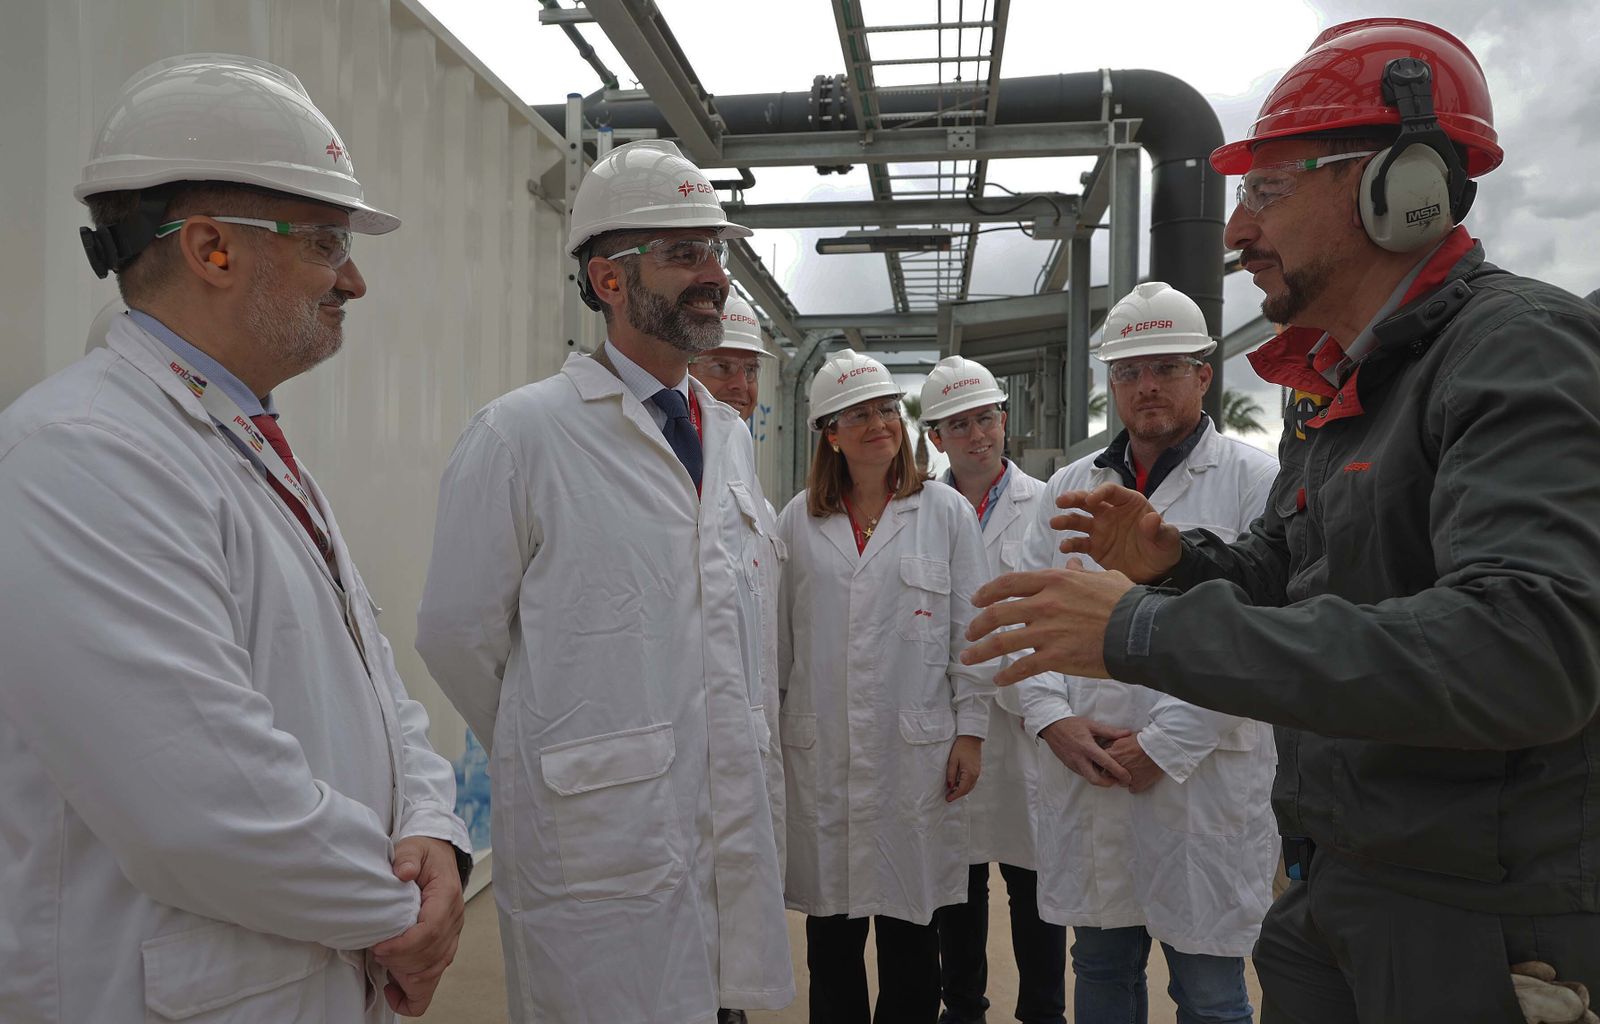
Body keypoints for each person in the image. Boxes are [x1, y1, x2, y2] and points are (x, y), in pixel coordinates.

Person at [962, 19, 1600, 1023]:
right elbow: (1292, 578)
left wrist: (1138, 626)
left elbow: (1523, 650)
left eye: (1266, 190)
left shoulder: (1512, 353)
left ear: (1396, 188)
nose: (1234, 232)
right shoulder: (1336, 388)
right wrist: (1174, 564)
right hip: (1338, 881)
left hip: (1475, 915)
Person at [0, 54, 470, 1023]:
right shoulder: (79, 454)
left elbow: (377, 683)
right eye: (329, 241)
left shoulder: (238, 438)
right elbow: (198, 806)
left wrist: (432, 828)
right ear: (213, 250)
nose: (356, 279)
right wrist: (404, 917)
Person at [415, 138, 792, 1024]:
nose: (712, 275)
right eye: (682, 253)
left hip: (722, 824)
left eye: (716, 253)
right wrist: (562, 732)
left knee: (720, 1002)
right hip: (598, 843)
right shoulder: (522, 437)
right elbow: (454, 633)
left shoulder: (729, 439)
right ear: (608, 280)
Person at [1015, 284, 1278, 1024]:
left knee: (1209, 991)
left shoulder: (1253, 483)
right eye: (1129, 371)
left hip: (1199, 784)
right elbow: (1027, 619)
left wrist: (1163, 744)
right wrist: (1052, 723)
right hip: (1088, 772)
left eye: (1165, 367)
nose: (1147, 386)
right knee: (1099, 971)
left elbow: (1263, 636)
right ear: (1112, 384)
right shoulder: (1072, 487)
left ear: (1204, 373)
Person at [777, 349, 995, 1024]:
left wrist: (971, 731)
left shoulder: (946, 514)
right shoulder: (797, 522)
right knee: (832, 943)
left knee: (912, 937)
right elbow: (777, 649)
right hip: (825, 755)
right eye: (857, 415)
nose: (877, 424)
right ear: (829, 433)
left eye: (885, 411)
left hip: (917, 754)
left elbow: (974, 631)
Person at [918, 355, 1065, 1024]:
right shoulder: (918, 511)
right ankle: (965, 1009)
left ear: (1003, 421)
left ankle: (1042, 1011)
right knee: (960, 881)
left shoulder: (1049, 505)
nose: (976, 434)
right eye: (959, 424)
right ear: (935, 437)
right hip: (949, 722)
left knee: (1036, 882)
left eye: (985, 418)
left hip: (1027, 722)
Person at [688, 291, 786, 1024]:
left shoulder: (738, 458)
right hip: (683, 764)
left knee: (733, 967)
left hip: (743, 752)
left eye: (750, 372)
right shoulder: (675, 454)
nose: (742, 388)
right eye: (725, 367)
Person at [691, 292, 772, 421]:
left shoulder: (741, 440)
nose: (742, 385)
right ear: (683, 369)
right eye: (722, 367)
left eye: (751, 369)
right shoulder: (660, 438)